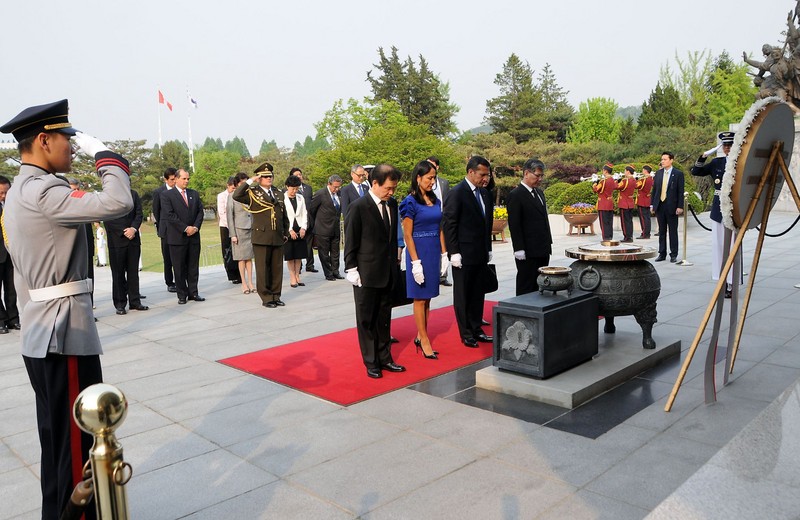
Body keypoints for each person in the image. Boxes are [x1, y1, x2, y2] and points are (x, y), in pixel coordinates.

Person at [1, 98, 134, 519]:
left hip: (41, 333)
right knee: (81, 443)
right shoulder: (46, 190)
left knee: (57, 441)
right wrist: (108, 158)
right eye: (67, 139)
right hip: (64, 334)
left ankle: (58, 513)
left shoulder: (19, 190)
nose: (72, 147)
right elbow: (117, 202)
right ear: (43, 140)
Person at [344, 164, 406, 378]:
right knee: (366, 319)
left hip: (387, 271)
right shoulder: (359, 206)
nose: (391, 192)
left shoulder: (392, 204)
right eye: (388, 188)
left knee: (384, 318)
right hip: (366, 273)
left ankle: (385, 357)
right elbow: (350, 240)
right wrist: (351, 268)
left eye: (394, 188)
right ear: (375, 183)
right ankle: (371, 362)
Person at [442, 156, 494, 348]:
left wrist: (488, 248)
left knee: (477, 293)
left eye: (487, 175)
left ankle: (476, 327)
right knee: (464, 294)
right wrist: (453, 252)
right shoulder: (457, 193)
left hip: (479, 252)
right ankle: (466, 333)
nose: (485, 179)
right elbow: (450, 225)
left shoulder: (485, 194)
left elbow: (486, 224)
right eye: (482, 175)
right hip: (462, 254)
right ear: (471, 172)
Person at [400, 161, 449, 359]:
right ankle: (424, 339)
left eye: (434, 177)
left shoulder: (435, 200)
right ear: (418, 178)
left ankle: (422, 335)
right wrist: (415, 262)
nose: (432, 181)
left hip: (433, 250)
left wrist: (444, 254)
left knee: (428, 297)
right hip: (418, 251)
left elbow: (439, 228)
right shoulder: (409, 202)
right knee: (419, 298)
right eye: (429, 178)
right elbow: (408, 235)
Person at [232, 162, 289, 308]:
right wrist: (250, 181)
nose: (268, 178)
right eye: (264, 176)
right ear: (259, 178)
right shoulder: (252, 193)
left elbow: (283, 214)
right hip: (261, 236)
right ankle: (266, 298)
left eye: (270, 176)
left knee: (276, 268)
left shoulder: (278, 193)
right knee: (263, 269)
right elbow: (237, 195)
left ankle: (276, 295)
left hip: (277, 235)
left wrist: (286, 231)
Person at [691, 131, 740, 297]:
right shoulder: (717, 162)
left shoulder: (741, 162)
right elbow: (696, 172)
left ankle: (733, 282)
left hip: (734, 208)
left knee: (733, 246)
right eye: (725, 146)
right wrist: (703, 156)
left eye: (730, 145)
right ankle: (722, 280)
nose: (727, 148)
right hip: (718, 209)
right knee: (718, 246)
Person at [507, 158, 553, 295]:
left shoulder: (539, 193)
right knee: (526, 284)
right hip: (527, 250)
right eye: (537, 175)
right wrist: (518, 248)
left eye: (541, 176)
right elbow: (514, 224)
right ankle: (522, 313)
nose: (540, 179)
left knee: (540, 284)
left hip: (543, 248)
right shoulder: (516, 195)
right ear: (526, 173)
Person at [161, 168, 205, 303]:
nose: (186, 181)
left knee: (193, 266)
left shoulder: (194, 194)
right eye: (184, 178)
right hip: (177, 238)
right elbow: (170, 215)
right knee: (179, 268)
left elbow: (200, 212)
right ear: (177, 178)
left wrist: (195, 227)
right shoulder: (167, 195)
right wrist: (185, 228)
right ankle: (182, 294)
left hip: (194, 237)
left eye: (188, 179)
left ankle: (193, 292)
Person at [104, 189, 149, 314]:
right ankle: (120, 304)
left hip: (133, 240)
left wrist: (133, 229)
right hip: (117, 241)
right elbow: (107, 218)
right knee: (118, 274)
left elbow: (139, 214)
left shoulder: (133, 194)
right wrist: (125, 231)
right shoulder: (107, 195)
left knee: (133, 272)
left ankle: (135, 301)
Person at [309, 175, 344, 281]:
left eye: (338, 187)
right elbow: (311, 210)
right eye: (335, 187)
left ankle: (335, 271)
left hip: (335, 228)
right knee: (324, 253)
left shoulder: (339, 194)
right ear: (329, 184)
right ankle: (328, 273)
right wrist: (315, 225)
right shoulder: (320, 194)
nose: (336, 189)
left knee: (335, 252)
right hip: (322, 229)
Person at [652, 151, 685, 262]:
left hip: (672, 206)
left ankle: (673, 254)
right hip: (660, 206)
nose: (663, 161)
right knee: (661, 231)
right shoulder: (659, 173)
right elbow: (655, 190)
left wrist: (680, 206)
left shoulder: (678, 174)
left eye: (665, 159)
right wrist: (652, 204)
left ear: (671, 160)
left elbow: (680, 191)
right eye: (662, 159)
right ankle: (662, 253)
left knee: (672, 231)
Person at [426, 156, 452, 287]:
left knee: (444, 247)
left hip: (443, 218)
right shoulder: (422, 184)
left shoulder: (444, 183)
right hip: (429, 219)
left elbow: (447, 201)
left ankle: (443, 275)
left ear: (437, 167)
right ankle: (432, 274)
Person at [227, 172, 255, 294]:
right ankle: (243, 283)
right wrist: (233, 234)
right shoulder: (232, 196)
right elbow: (230, 216)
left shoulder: (250, 194)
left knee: (249, 258)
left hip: (251, 229)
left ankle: (251, 282)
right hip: (239, 230)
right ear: (237, 184)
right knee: (241, 259)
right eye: (242, 183)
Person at [153, 168, 177, 292]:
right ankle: (169, 282)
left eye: (175, 179)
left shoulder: (179, 191)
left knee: (178, 256)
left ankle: (180, 279)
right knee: (167, 257)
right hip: (166, 229)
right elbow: (156, 211)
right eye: (172, 179)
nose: (174, 182)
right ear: (166, 179)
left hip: (178, 229)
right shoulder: (159, 192)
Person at [0, 176, 19, 333]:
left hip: (11, 253)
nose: (4, 196)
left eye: (6, 192)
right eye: (1, 193)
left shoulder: (13, 206)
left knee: (12, 288)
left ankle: (14, 318)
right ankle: (1, 320)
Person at [283, 174, 308, 288]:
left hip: (299, 228)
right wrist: (289, 230)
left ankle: (298, 276)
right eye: (293, 188)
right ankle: (292, 277)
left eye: (297, 189)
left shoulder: (300, 198)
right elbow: (283, 216)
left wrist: (304, 227)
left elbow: (304, 213)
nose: (294, 191)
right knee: (291, 255)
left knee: (298, 255)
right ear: (287, 186)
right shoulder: (282, 198)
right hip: (289, 228)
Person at [292, 167, 318, 273]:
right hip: (296, 222)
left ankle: (310, 265)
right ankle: (299, 267)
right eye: (296, 175)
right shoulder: (287, 190)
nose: (299, 176)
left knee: (309, 243)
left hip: (308, 220)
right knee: (298, 245)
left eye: (300, 174)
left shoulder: (308, 188)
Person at [217, 176, 241, 284]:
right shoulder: (221, 196)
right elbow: (222, 213)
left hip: (237, 226)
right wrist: (230, 226)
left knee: (238, 251)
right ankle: (232, 274)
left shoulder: (237, 196)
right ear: (228, 186)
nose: (234, 191)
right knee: (227, 251)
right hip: (226, 226)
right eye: (232, 188)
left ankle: (240, 273)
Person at [592, 163, 616, 241]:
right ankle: (610, 236)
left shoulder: (604, 181)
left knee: (603, 222)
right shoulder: (612, 180)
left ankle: (605, 237)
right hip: (610, 203)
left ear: (605, 171)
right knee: (609, 221)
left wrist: (594, 182)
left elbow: (596, 189)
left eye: (603, 170)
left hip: (603, 203)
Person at [617, 166, 637, 243]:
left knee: (624, 221)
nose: (624, 172)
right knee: (629, 221)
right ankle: (630, 235)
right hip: (630, 202)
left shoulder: (625, 181)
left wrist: (616, 180)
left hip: (624, 203)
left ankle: (627, 237)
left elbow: (617, 187)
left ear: (628, 171)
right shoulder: (634, 180)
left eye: (625, 171)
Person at [636, 165, 654, 239]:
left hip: (642, 200)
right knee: (647, 218)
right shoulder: (651, 178)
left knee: (643, 218)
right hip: (647, 199)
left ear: (645, 170)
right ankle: (647, 233)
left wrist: (635, 179)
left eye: (643, 170)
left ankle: (644, 233)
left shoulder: (644, 179)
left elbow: (636, 185)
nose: (642, 171)